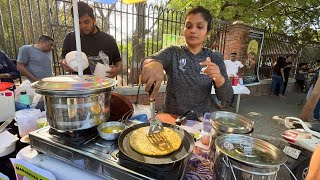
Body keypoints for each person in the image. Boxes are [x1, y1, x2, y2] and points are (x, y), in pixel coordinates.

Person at [140, 6, 233, 118]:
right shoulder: (173, 52)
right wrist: (153, 63)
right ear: (183, 30)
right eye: (188, 26)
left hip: (200, 121)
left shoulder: (215, 57)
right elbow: (148, 60)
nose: (193, 30)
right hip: (172, 118)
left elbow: (227, 97)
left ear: (208, 33)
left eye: (200, 27)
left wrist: (219, 78)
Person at [60, 2, 122, 78]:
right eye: (78, 23)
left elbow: (118, 62)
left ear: (94, 20)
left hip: (102, 85)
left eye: (86, 22)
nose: (83, 26)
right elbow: (63, 59)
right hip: (78, 85)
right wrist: (63, 63)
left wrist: (117, 70)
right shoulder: (70, 38)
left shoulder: (109, 40)